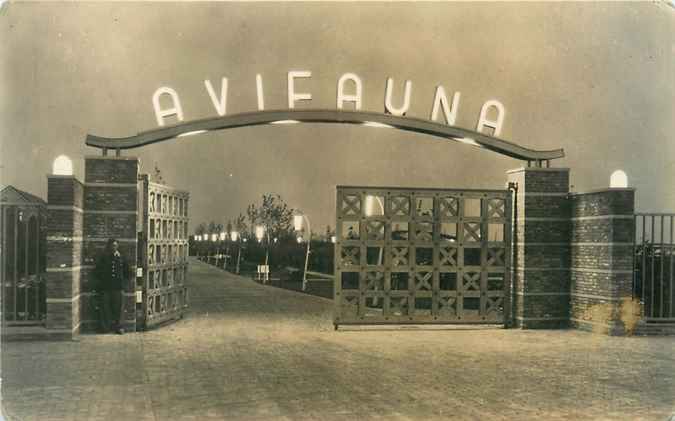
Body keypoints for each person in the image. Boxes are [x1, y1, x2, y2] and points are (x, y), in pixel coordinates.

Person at [94, 238, 130, 334]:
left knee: (119, 309)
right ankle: (104, 327)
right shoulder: (104, 257)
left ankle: (119, 327)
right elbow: (97, 271)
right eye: (111, 245)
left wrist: (123, 283)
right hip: (106, 287)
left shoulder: (121, 257)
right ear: (108, 246)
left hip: (118, 288)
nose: (113, 247)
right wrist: (102, 282)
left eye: (115, 245)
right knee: (104, 308)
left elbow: (128, 272)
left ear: (117, 246)